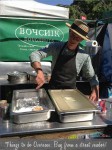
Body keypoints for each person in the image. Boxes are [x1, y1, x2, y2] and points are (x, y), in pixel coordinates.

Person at [29, 19, 99, 102]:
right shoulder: (56, 47)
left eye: (78, 37)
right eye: (73, 34)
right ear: (70, 31)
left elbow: (91, 76)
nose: (75, 38)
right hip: (53, 91)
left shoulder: (84, 56)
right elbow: (35, 54)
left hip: (71, 93)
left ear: (82, 39)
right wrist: (39, 71)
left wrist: (95, 90)